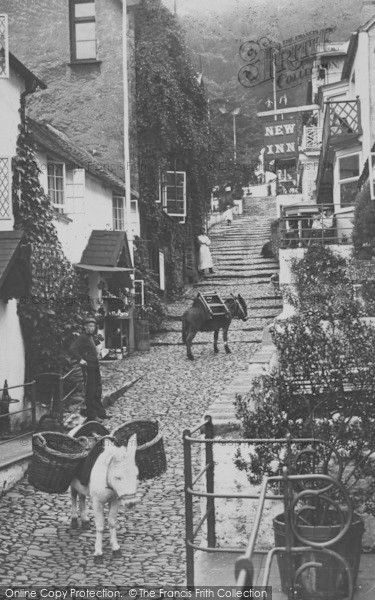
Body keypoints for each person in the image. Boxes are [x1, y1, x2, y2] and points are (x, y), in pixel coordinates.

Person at [69, 317, 109, 422]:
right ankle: (92, 415)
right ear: (85, 327)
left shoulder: (92, 337)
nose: (92, 328)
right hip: (88, 368)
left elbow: (93, 349)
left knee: (98, 390)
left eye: (93, 326)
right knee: (90, 392)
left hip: (95, 365)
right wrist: (80, 359)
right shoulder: (82, 337)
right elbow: (72, 349)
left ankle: (101, 413)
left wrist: (99, 353)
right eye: (90, 326)